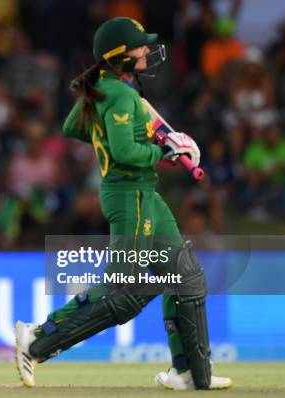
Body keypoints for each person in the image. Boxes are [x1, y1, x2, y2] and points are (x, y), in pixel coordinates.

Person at [14, 17, 232, 390]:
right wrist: (164, 149)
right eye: (139, 45)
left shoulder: (106, 87)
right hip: (128, 193)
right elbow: (124, 151)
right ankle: (38, 339)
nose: (147, 49)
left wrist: (131, 136)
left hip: (143, 191)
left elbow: (72, 127)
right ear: (120, 56)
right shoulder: (120, 94)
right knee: (123, 291)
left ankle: (192, 373)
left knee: (185, 276)